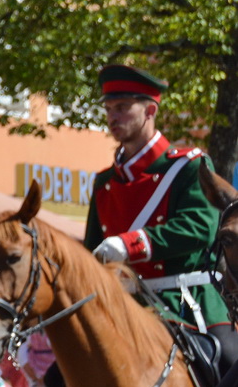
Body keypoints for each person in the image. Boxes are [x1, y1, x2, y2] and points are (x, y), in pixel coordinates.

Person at [85, 64, 230, 351]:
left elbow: (201, 227)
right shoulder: (105, 182)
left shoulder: (188, 166)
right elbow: (91, 250)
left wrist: (129, 245)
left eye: (122, 107)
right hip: (123, 306)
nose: (113, 116)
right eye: (109, 109)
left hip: (185, 304)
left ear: (150, 111)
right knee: (60, 372)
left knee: (229, 362)